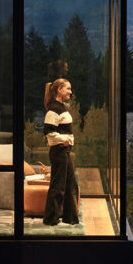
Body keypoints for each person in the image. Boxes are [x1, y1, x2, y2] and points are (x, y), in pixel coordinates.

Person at [42, 77, 79, 226]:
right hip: (59, 151)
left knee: (71, 184)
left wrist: (66, 141)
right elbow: (49, 133)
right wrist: (64, 139)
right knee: (58, 186)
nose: (70, 91)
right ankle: (51, 218)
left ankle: (70, 217)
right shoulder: (53, 109)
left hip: (64, 151)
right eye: (68, 88)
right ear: (59, 90)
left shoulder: (61, 106)